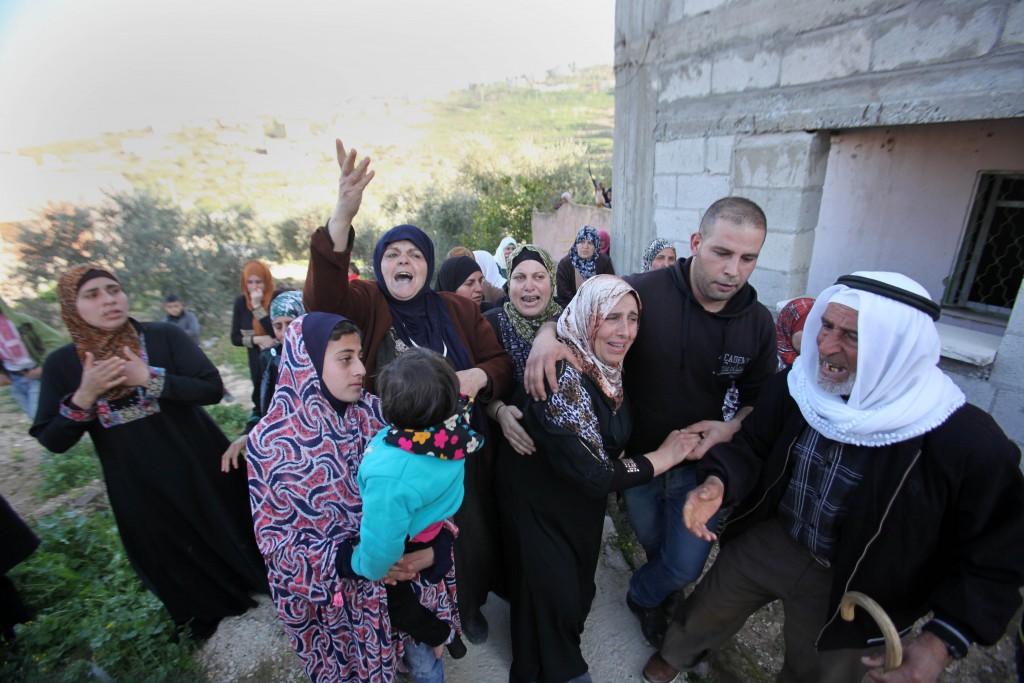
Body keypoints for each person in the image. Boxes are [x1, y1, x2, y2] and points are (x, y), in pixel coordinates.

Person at [641, 271, 1024, 683]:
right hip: (775, 539)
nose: (824, 346)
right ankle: (675, 656)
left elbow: (998, 556)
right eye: (826, 326)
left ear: (895, 349)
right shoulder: (799, 386)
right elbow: (753, 446)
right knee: (708, 608)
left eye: (852, 336)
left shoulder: (965, 441)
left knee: (822, 671)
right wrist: (716, 484)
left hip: (863, 583)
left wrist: (939, 641)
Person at [527, 197, 777, 649]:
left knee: (684, 560)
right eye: (722, 253)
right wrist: (545, 337)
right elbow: (579, 317)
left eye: (748, 258)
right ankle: (659, 596)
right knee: (653, 542)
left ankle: (643, 593)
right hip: (637, 460)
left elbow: (761, 400)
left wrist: (731, 427)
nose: (733, 271)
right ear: (697, 243)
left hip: (702, 463)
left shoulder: (758, 324)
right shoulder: (641, 291)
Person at [303, 139, 513, 644]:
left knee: (470, 534)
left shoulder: (458, 309)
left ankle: (469, 608)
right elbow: (321, 300)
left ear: (427, 263)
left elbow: (500, 362)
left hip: (460, 454)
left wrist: (478, 378)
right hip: (396, 459)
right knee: (404, 541)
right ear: (380, 264)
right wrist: (341, 215)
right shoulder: (368, 302)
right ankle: (420, 628)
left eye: (414, 253)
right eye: (392, 253)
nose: (403, 261)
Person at [31, 264, 267, 639]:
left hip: (199, 465)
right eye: (92, 295)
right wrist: (84, 396)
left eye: (113, 289)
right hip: (137, 484)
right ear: (71, 306)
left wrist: (150, 378)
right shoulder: (63, 364)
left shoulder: (162, 336)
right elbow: (53, 440)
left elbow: (209, 388)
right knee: (172, 553)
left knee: (233, 528)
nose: (109, 299)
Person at [502, 275, 700, 683]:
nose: (625, 331)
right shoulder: (560, 376)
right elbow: (594, 473)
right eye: (611, 317)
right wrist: (662, 458)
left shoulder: (608, 368)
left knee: (575, 592)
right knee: (551, 596)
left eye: (632, 318)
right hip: (541, 508)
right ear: (589, 317)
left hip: (579, 509)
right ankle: (560, 670)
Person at [248, 313, 460, 682]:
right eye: (345, 359)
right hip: (345, 610)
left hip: (410, 582)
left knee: (425, 663)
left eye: (360, 355)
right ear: (307, 363)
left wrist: (437, 545)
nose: (362, 368)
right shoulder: (271, 446)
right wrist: (351, 560)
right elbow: (276, 545)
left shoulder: (381, 414)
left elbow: (435, 479)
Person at [336, 348, 476, 664]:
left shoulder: (392, 474)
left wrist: (361, 563)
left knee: (400, 606)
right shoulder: (451, 429)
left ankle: (441, 635)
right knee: (433, 585)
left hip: (410, 541)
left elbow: (382, 543)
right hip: (435, 521)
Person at [220, 290, 306, 473]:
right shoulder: (269, 359)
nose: (284, 333)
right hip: (280, 451)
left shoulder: (324, 358)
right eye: (277, 326)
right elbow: (260, 407)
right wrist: (247, 434)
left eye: (291, 324)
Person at [0, 294, 65, 420]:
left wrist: (44, 365)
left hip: (35, 375)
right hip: (16, 380)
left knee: (38, 417)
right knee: (35, 418)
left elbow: (54, 339)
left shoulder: (22, 322)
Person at [230, 260, 279, 413]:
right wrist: (257, 340)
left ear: (267, 281)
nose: (254, 286)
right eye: (250, 282)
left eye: (259, 282)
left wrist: (257, 307)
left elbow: (275, 331)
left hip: (278, 358)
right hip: (256, 360)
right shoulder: (241, 302)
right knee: (260, 399)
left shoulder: (277, 298)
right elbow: (235, 338)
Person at [554, 226, 615, 308]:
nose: (585, 247)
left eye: (590, 243)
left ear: (596, 246)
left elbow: (610, 288)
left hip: (599, 309)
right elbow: (563, 294)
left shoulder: (604, 261)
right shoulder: (565, 264)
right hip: (571, 309)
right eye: (582, 242)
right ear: (576, 244)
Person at [775, 297, 815, 371]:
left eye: (818, 329)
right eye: (806, 329)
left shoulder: (821, 366)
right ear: (789, 327)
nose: (814, 336)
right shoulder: (767, 360)